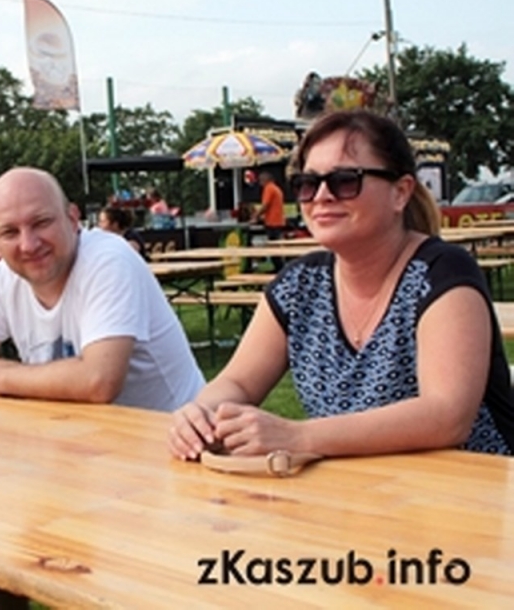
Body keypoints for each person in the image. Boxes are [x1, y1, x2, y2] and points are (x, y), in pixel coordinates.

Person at [168, 109, 514, 465]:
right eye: (307, 183)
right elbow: (238, 382)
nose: (322, 195)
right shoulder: (298, 287)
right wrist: (201, 414)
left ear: (400, 192)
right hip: (359, 492)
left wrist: (297, 436)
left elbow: (446, 415)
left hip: (468, 490)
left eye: (345, 180)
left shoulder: (441, 273)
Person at [0, 167, 204, 410]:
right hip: (83, 437)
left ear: (72, 219)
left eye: (41, 223)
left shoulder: (108, 259)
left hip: (173, 438)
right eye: (10, 232)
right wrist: (12, 376)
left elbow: (99, 381)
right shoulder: (8, 277)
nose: (28, 245)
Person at [250, 170, 287, 271]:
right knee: (276, 247)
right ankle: (279, 268)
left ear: (266, 180)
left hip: (272, 222)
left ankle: (279, 269)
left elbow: (265, 205)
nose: (260, 183)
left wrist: (255, 216)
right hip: (278, 221)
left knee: (273, 248)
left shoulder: (269, 188)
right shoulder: (276, 188)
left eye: (261, 180)